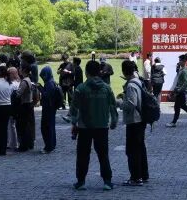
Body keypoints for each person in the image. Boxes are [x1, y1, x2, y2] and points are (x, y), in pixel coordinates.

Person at [70, 60, 118, 191]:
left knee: (83, 155)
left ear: (86, 72)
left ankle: (81, 181)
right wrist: (114, 121)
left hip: (84, 127)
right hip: (102, 126)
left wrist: (74, 123)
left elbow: (74, 109)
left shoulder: (81, 88)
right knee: (103, 155)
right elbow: (113, 106)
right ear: (99, 72)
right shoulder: (107, 88)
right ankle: (107, 181)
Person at [119, 60, 148, 186]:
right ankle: (143, 175)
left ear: (124, 71)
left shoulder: (131, 85)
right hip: (141, 120)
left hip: (134, 121)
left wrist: (119, 102)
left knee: (132, 150)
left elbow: (131, 104)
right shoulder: (138, 81)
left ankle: (136, 178)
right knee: (140, 148)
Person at [167, 55, 187, 127]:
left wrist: (179, 89)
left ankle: (174, 122)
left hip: (181, 91)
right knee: (182, 106)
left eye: (180, 60)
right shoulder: (183, 69)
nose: (179, 62)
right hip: (180, 91)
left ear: (184, 61)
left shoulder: (184, 70)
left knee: (177, 107)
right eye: (179, 60)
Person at [39, 65, 63, 154]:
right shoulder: (52, 81)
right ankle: (52, 145)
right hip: (51, 108)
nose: (43, 78)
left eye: (43, 76)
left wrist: (39, 87)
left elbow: (46, 95)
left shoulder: (49, 83)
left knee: (46, 127)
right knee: (51, 127)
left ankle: (48, 147)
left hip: (48, 108)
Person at [14, 65, 36, 152]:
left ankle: (23, 145)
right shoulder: (28, 79)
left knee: (22, 126)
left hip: (24, 105)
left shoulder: (24, 81)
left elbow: (18, 94)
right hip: (29, 104)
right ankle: (29, 143)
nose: (19, 70)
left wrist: (13, 92)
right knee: (28, 125)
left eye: (20, 68)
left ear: (24, 70)